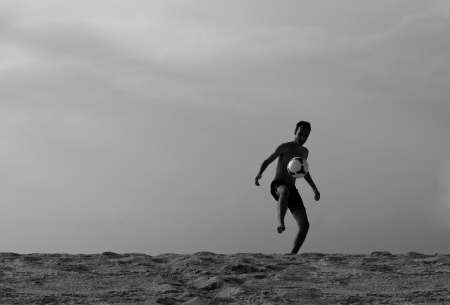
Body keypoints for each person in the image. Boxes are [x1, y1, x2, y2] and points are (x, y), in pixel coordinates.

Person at [255, 121, 320, 254]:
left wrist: (314, 188)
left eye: (306, 136)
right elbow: (268, 160)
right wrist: (259, 174)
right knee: (284, 191)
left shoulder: (305, 152)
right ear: (295, 132)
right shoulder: (284, 147)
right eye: (300, 134)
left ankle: (292, 255)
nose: (302, 138)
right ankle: (280, 222)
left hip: (292, 188)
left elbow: (304, 171)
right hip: (278, 185)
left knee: (305, 225)